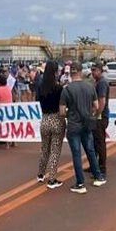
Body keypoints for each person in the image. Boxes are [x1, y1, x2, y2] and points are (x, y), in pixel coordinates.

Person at [59, 64, 106, 194]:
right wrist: (89, 113)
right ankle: (98, 176)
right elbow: (96, 106)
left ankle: (80, 183)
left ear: (70, 73)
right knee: (90, 150)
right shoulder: (90, 87)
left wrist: (69, 113)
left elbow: (62, 112)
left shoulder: (66, 90)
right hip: (87, 123)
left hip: (74, 125)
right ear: (80, 72)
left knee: (76, 154)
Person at [35, 60, 66, 189]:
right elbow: (62, 105)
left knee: (44, 149)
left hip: (45, 119)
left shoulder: (40, 87)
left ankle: (41, 174)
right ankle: (52, 179)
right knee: (55, 150)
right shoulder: (59, 88)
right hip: (56, 119)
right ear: (55, 71)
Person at [90, 63, 110, 178]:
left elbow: (102, 102)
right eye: (92, 70)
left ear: (100, 71)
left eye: (95, 70)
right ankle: (94, 165)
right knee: (94, 143)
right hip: (97, 116)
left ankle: (102, 169)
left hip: (100, 117)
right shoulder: (97, 82)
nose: (93, 72)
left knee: (100, 143)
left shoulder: (102, 83)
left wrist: (97, 114)